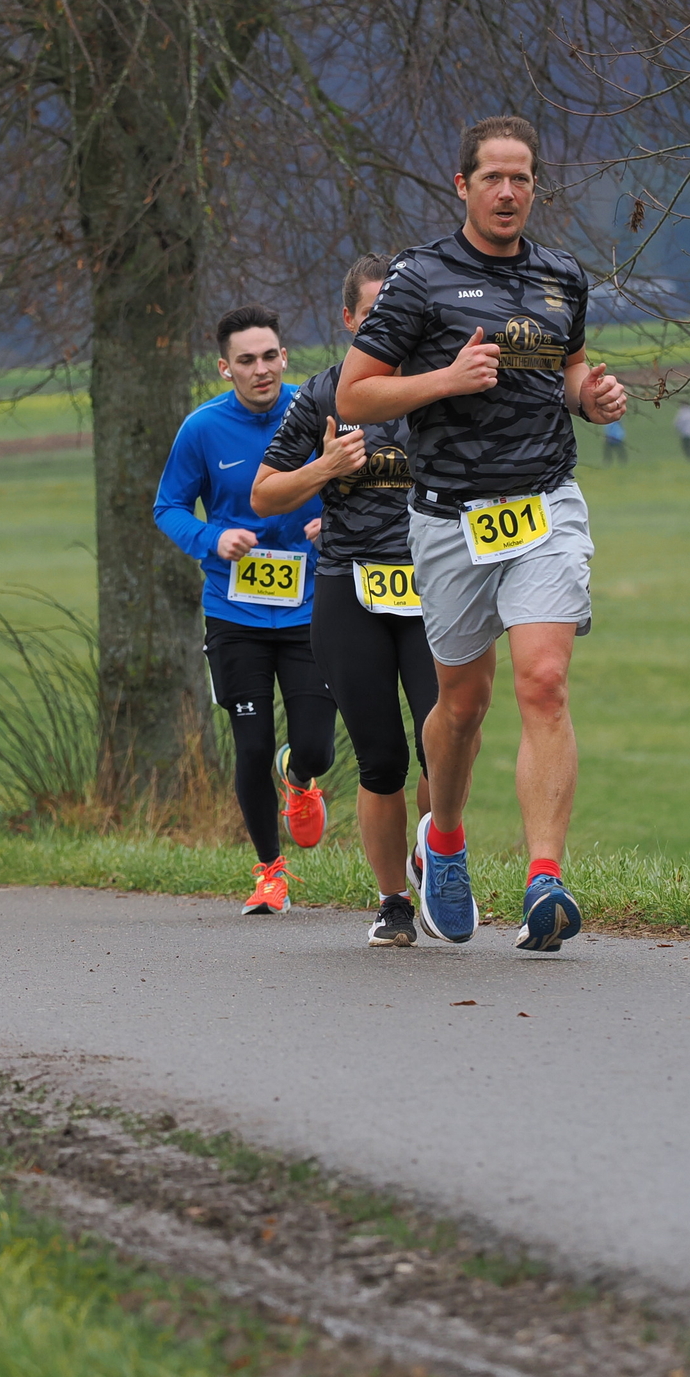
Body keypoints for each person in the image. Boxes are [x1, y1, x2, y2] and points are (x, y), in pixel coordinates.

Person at [335, 114, 628, 949]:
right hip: (450, 517)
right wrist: (445, 379)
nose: (508, 192)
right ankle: (446, 839)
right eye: (492, 178)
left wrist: (589, 396)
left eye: (521, 178)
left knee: (545, 681)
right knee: (462, 706)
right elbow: (356, 394)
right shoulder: (419, 278)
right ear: (462, 186)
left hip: (544, 504)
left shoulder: (562, 276)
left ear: (536, 187)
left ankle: (545, 880)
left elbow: (567, 365)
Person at [251, 257, 436, 947]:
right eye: (375, 314)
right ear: (350, 320)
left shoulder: (440, 389)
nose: (390, 326)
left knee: (444, 745)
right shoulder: (325, 395)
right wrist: (326, 467)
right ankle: (393, 902)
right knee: (382, 758)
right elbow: (264, 494)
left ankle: (437, 856)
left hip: (435, 586)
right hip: (349, 587)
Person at [155, 304, 335, 916]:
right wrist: (213, 539)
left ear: (285, 356)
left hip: (312, 606)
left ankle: (301, 779)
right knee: (251, 745)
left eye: (270, 356)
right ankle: (270, 872)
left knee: (316, 746)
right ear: (225, 368)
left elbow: (357, 484)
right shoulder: (202, 429)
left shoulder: (316, 412)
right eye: (247, 360)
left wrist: (332, 526)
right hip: (235, 615)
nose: (261, 370)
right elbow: (168, 507)